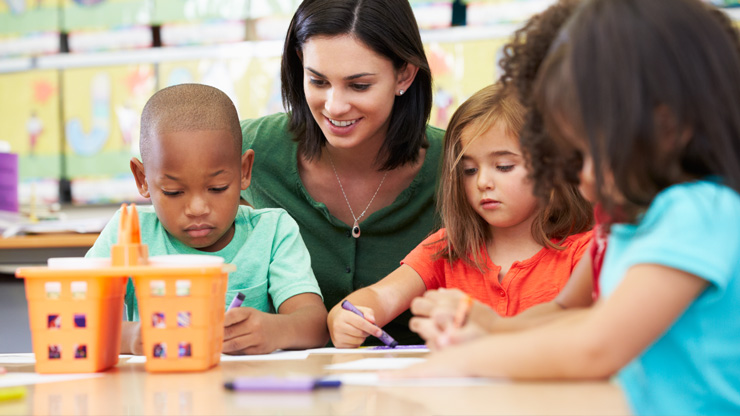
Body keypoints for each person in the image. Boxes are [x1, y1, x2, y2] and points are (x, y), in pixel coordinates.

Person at [393, 1, 740, 415]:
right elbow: (574, 316)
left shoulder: (699, 212)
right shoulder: (634, 224)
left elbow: (598, 345)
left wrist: (466, 362)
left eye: (587, 154)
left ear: (666, 128)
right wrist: (493, 329)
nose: (582, 178)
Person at [327, 83, 593, 348]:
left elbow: (590, 336)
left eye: (503, 166)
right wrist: (346, 317)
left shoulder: (586, 252)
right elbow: (380, 297)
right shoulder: (448, 248)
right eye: (469, 170)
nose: (483, 182)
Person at [240, 0, 444, 344]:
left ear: (404, 74)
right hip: (281, 389)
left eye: (359, 85)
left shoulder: (460, 162)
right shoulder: (248, 149)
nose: (334, 106)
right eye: (318, 81)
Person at [409, 0, 601, 350]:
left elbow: (596, 346)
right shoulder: (612, 230)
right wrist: (488, 327)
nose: (571, 171)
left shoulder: (689, 218)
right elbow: (560, 310)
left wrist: (475, 350)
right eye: (468, 170)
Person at [87, 84, 328, 355]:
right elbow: (76, 320)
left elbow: (316, 325)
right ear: (142, 179)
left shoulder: (272, 232)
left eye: (217, 188)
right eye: (173, 192)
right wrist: (130, 337)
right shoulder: (127, 233)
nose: (198, 208)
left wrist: (275, 330)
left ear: (244, 171)